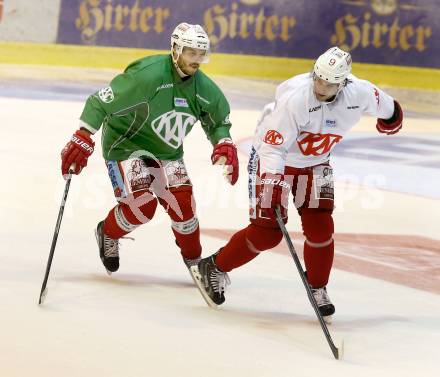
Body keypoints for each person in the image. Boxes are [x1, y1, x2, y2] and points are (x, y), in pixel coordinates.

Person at [190, 47, 403, 319]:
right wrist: (273, 183)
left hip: (316, 162)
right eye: (319, 79)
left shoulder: (359, 92)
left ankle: (318, 287)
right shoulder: (296, 99)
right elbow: (272, 149)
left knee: (321, 226)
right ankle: (214, 267)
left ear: (344, 82)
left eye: (329, 83)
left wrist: (391, 120)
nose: (321, 87)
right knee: (267, 232)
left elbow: (389, 108)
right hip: (272, 157)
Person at [60, 23, 239, 275]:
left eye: (201, 54)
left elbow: (218, 121)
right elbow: (100, 101)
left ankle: (196, 263)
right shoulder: (148, 75)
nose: (197, 60)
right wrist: (83, 134)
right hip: (127, 144)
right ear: (175, 49)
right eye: (191, 52)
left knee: (184, 206)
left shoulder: (205, 90)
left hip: (167, 152)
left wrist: (223, 142)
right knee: (142, 207)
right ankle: (107, 232)